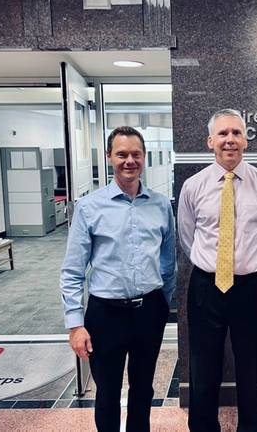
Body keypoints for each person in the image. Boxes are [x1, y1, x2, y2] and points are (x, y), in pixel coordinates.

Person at [60, 126, 176, 432]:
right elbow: (72, 271)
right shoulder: (89, 207)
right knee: (107, 394)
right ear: (109, 157)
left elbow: (168, 263)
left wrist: (161, 305)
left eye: (136, 154)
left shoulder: (161, 205)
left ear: (144, 157)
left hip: (148, 312)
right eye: (122, 154)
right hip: (105, 315)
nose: (129, 160)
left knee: (143, 390)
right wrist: (75, 325)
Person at [178, 109, 257, 432]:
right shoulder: (193, 187)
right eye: (223, 134)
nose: (230, 140)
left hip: (251, 289)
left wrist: (247, 266)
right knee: (203, 368)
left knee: (250, 369)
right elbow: (186, 237)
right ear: (210, 141)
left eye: (237, 133)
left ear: (246, 140)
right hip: (205, 288)